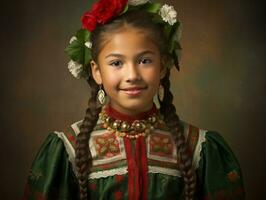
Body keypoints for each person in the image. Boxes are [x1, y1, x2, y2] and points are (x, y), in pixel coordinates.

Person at [22, 0, 245, 199]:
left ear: (163, 66)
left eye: (145, 60)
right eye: (116, 63)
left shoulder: (199, 148)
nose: (132, 76)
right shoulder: (68, 149)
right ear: (97, 71)